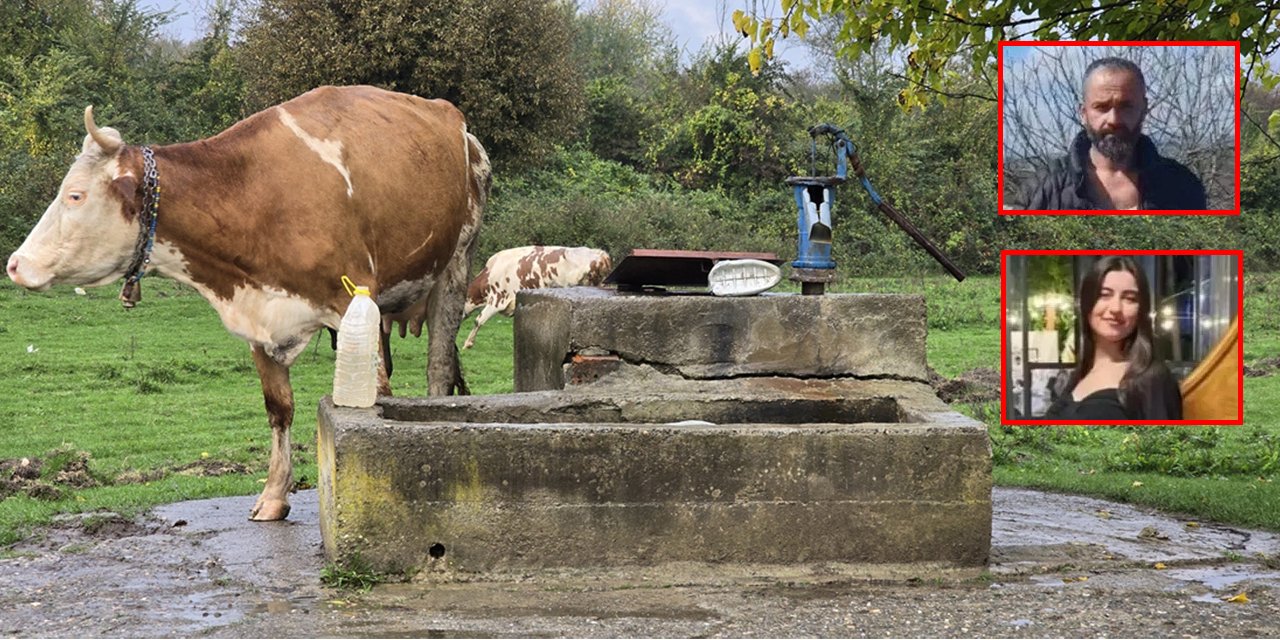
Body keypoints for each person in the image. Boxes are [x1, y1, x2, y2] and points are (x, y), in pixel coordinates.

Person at [1011, 57, 1207, 210]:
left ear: (1144, 108)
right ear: (1084, 113)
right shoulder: (1043, 189)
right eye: (1101, 107)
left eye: (1126, 106)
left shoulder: (1181, 185)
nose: (1114, 120)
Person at [1044, 256, 1182, 421]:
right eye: (1104, 295)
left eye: (1129, 298)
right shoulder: (1081, 373)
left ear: (1141, 309)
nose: (1116, 308)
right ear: (1087, 303)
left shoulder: (1152, 378)